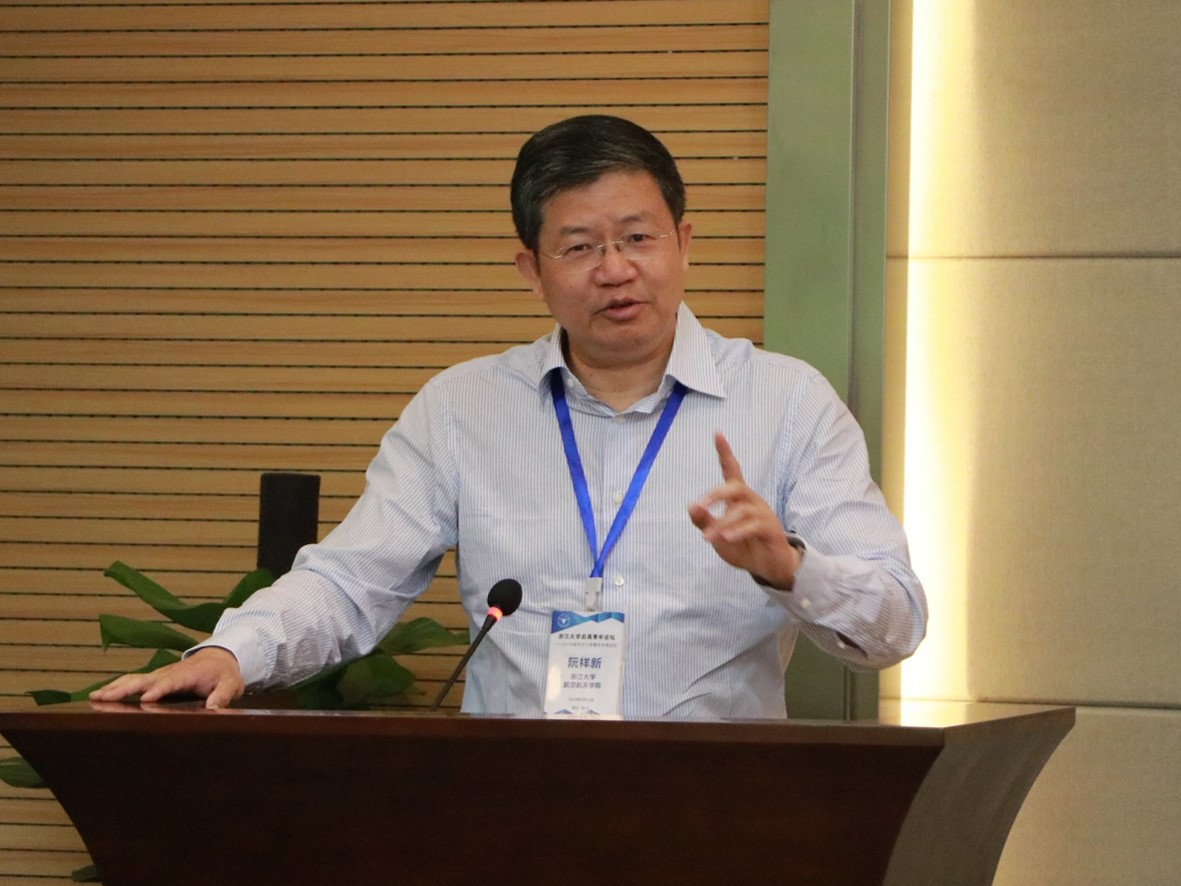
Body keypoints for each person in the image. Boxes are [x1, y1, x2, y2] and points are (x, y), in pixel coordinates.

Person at [92, 114, 926, 718]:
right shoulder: (462, 409)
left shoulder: (786, 402)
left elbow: (896, 621)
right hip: (512, 806)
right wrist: (229, 651)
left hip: (715, 813)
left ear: (684, 242)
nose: (614, 270)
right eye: (579, 247)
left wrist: (788, 565)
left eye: (638, 238)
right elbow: (350, 581)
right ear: (531, 269)